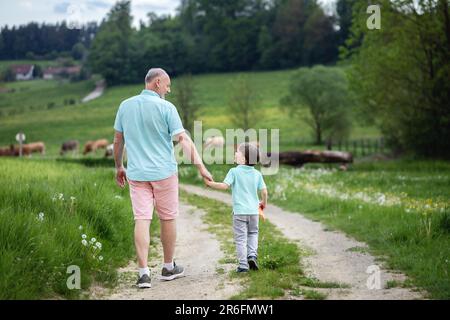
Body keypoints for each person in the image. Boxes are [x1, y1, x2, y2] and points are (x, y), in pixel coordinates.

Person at [113, 68, 213, 288]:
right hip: (164, 173)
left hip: (137, 174)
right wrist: (201, 167)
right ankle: (168, 267)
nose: (168, 90)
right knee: (167, 218)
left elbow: (118, 141)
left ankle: (143, 273)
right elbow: (183, 140)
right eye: (167, 85)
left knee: (142, 219)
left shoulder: (125, 106)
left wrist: (119, 166)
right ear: (157, 83)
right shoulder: (167, 107)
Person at [204, 142, 268, 272]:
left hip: (239, 212)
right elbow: (264, 191)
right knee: (253, 233)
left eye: (237, 152)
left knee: (240, 238)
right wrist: (263, 203)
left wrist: (210, 184)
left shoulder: (234, 171)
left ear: (243, 159)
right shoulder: (257, 174)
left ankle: (243, 265)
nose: (235, 153)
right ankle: (252, 255)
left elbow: (224, 186)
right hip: (254, 212)